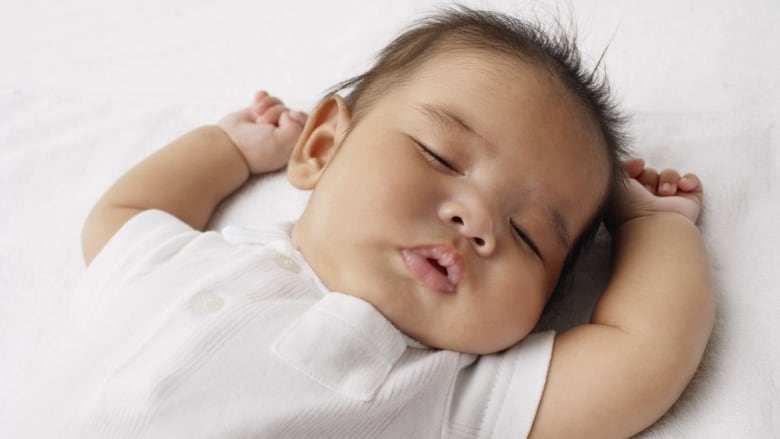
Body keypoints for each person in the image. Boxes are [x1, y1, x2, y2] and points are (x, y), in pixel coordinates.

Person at [31, 7, 713, 439]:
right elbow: (123, 218)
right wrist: (227, 149)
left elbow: (641, 357)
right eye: (442, 155)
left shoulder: (443, 390)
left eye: (531, 235)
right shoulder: (193, 262)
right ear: (323, 147)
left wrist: (654, 226)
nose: (478, 220)